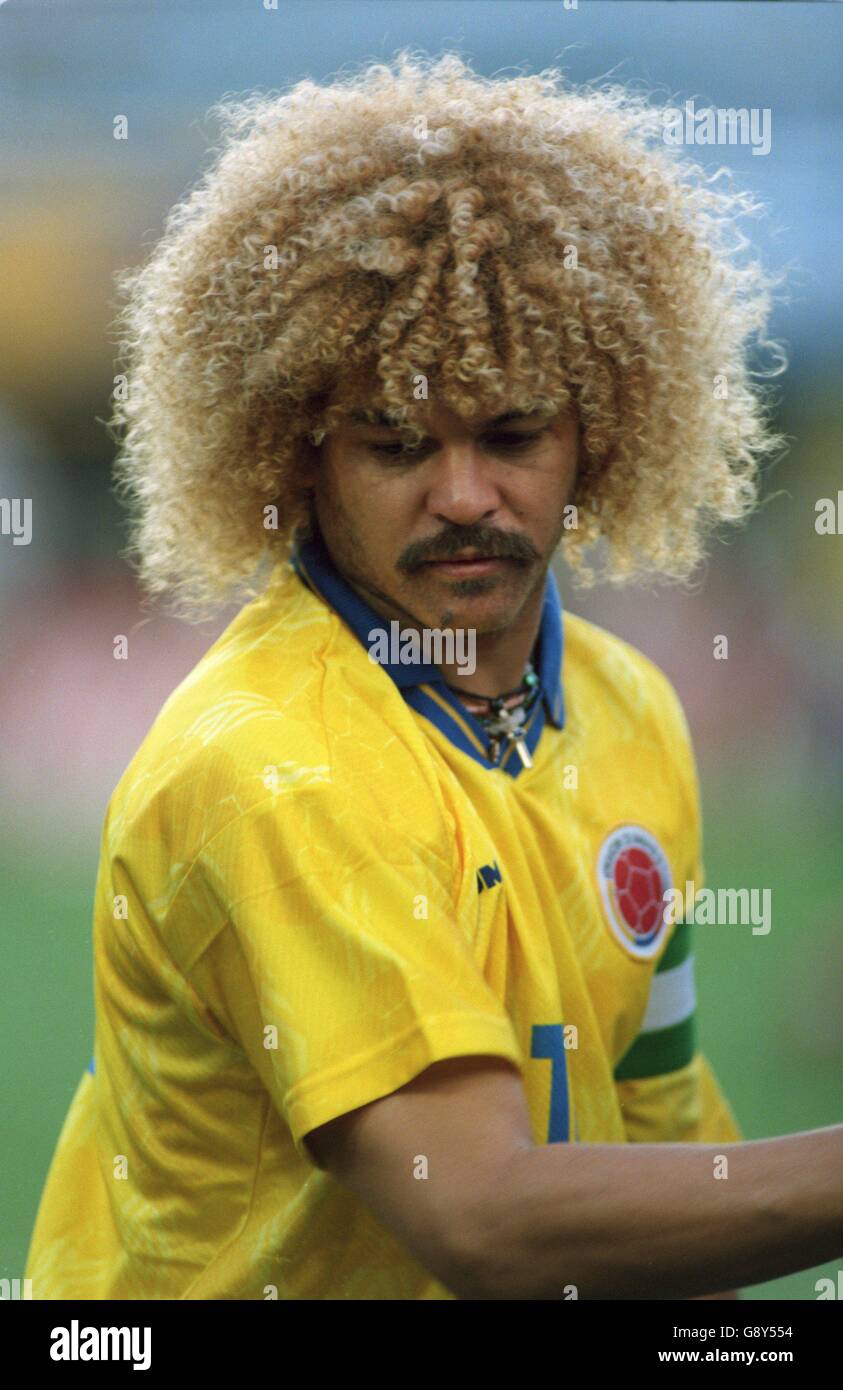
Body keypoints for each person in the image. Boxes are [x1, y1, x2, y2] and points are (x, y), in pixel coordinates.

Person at [26, 52, 841, 1300]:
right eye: (397, 443)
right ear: (296, 455)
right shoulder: (265, 769)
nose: (464, 496)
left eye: (513, 433)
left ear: (603, 433)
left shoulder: (633, 708)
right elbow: (485, 1217)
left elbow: (673, 1156)